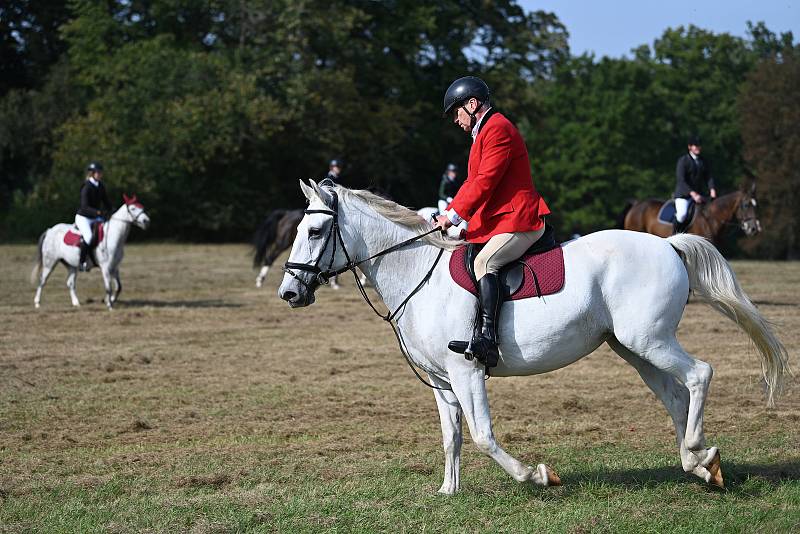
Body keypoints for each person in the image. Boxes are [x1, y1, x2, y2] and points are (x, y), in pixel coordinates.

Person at [435, 76, 550, 370]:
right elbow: (472, 182)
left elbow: (484, 183)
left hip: (520, 219)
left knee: (485, 263)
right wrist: (451, 214)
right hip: (500, 219)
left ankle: (488, 339)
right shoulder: (483, 132)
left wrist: (452, 216)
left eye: (456, 112)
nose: (455, 120)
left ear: (472, 105)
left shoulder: (497, 128)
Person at [674, 135, 716, 234]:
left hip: (698, 196)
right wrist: (693, 194)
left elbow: (708, 177)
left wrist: (712, 189)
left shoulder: (703, 161)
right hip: (683, 195)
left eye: (699, 145)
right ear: (690, 147)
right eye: (695, 146)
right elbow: (681, 180)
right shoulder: (683, 161)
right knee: (682, 215)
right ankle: (674, 235)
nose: (698, 147)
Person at [75, 161, 112, 271]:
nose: (100, 174)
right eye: (98, 172)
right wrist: (98, 212)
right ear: (92, 173)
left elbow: (106, 201)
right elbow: (84, 206)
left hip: (95, 217)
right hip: (84, 217)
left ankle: (99, 258)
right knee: (89, 237)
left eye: (101, 172)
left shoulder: (100, 186)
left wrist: (112, 210)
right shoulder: (86, 187)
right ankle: (82, 262)